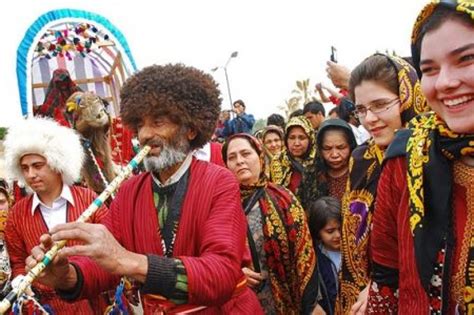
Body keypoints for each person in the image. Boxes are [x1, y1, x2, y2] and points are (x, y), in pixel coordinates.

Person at [26, 64, 262, 314]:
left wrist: (129, 261)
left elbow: (221, 274)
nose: (145, 134)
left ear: (191, 129)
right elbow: (106, 262)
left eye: (158, 122)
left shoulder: (219, 182)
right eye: (140, 124)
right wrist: (67, 276)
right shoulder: (129, 191)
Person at [368, 1, 474, 313]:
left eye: (466, 59)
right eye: (428, 69)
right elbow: (386, 272)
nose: (444, 82)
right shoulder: (405, 157)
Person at [337, 53, 428, 314]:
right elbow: (352, 239)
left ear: (409, 97)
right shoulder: (361, 159)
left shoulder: (433, 157)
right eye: (362, 109)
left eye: (380, 105)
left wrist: (381, 288)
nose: (369, 119)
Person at [3, 118, 108, 312]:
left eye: (37, 165)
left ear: (58, 163)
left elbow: (109, 249)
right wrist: (21, 280)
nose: (30, 174)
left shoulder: (89, 200)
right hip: (47, 308)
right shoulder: (17, 214)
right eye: (24, 168)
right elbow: (17, 261)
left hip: (94, 303)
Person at [223, 133, 318, 314]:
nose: (240, 161)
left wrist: (311, 304)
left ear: (260, 156)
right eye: (232, 157)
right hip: (240, 301)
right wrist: (232, 273)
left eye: (246, 153)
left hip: (285, 300)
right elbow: (208, 254)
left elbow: (304, 252)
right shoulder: (221, 204)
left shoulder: (283, 199)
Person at [269, 116, 323, 210]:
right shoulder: (278, 161)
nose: (296, 143)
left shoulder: (319, 160)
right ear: (286, 140)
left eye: (302, 138)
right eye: (292, 138)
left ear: (310, 139)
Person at [308, 196, 342, 315]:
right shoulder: (314, 259)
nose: (337, 235)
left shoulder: (354, 252)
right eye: (330, 231)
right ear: (318, 232)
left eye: (340, 229)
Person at [316, 119, 357, 201]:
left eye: (341, 147)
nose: (334, 155)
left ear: (350, 146)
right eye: (327, 148)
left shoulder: (361, 174)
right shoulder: (314, 175)